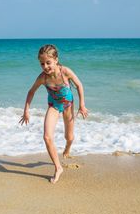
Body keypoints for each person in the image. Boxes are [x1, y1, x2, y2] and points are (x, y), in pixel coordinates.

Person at [19, 44, 88, 184]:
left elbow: (79, 85)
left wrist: (82, 105)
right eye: (42, 63)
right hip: (54, 106)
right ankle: (58, 168)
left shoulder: (65, 72)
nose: (45, 66)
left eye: (48, 62)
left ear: (56, 60)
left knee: (69, 137)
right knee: (47, 136)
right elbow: (31, 91)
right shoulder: (42, 78)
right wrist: (26, 110)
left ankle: (67, 149)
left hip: (68, 105)